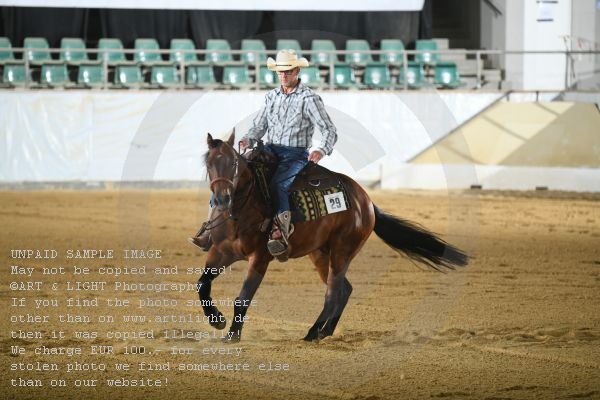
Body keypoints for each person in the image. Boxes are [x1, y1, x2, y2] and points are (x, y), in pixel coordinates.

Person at [189, 49, 338, 258]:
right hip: (269, 150)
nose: (283, 75)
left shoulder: (309, 98)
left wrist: (321, 149)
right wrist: (248, 138)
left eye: (287, 71)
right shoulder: (271, 96)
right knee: (233, 177)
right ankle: (211, 228)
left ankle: (281, 232)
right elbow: (259, 126)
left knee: (279, 184)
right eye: (280, 72)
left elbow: (329, 129)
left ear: (296, 70)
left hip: (294, 155)